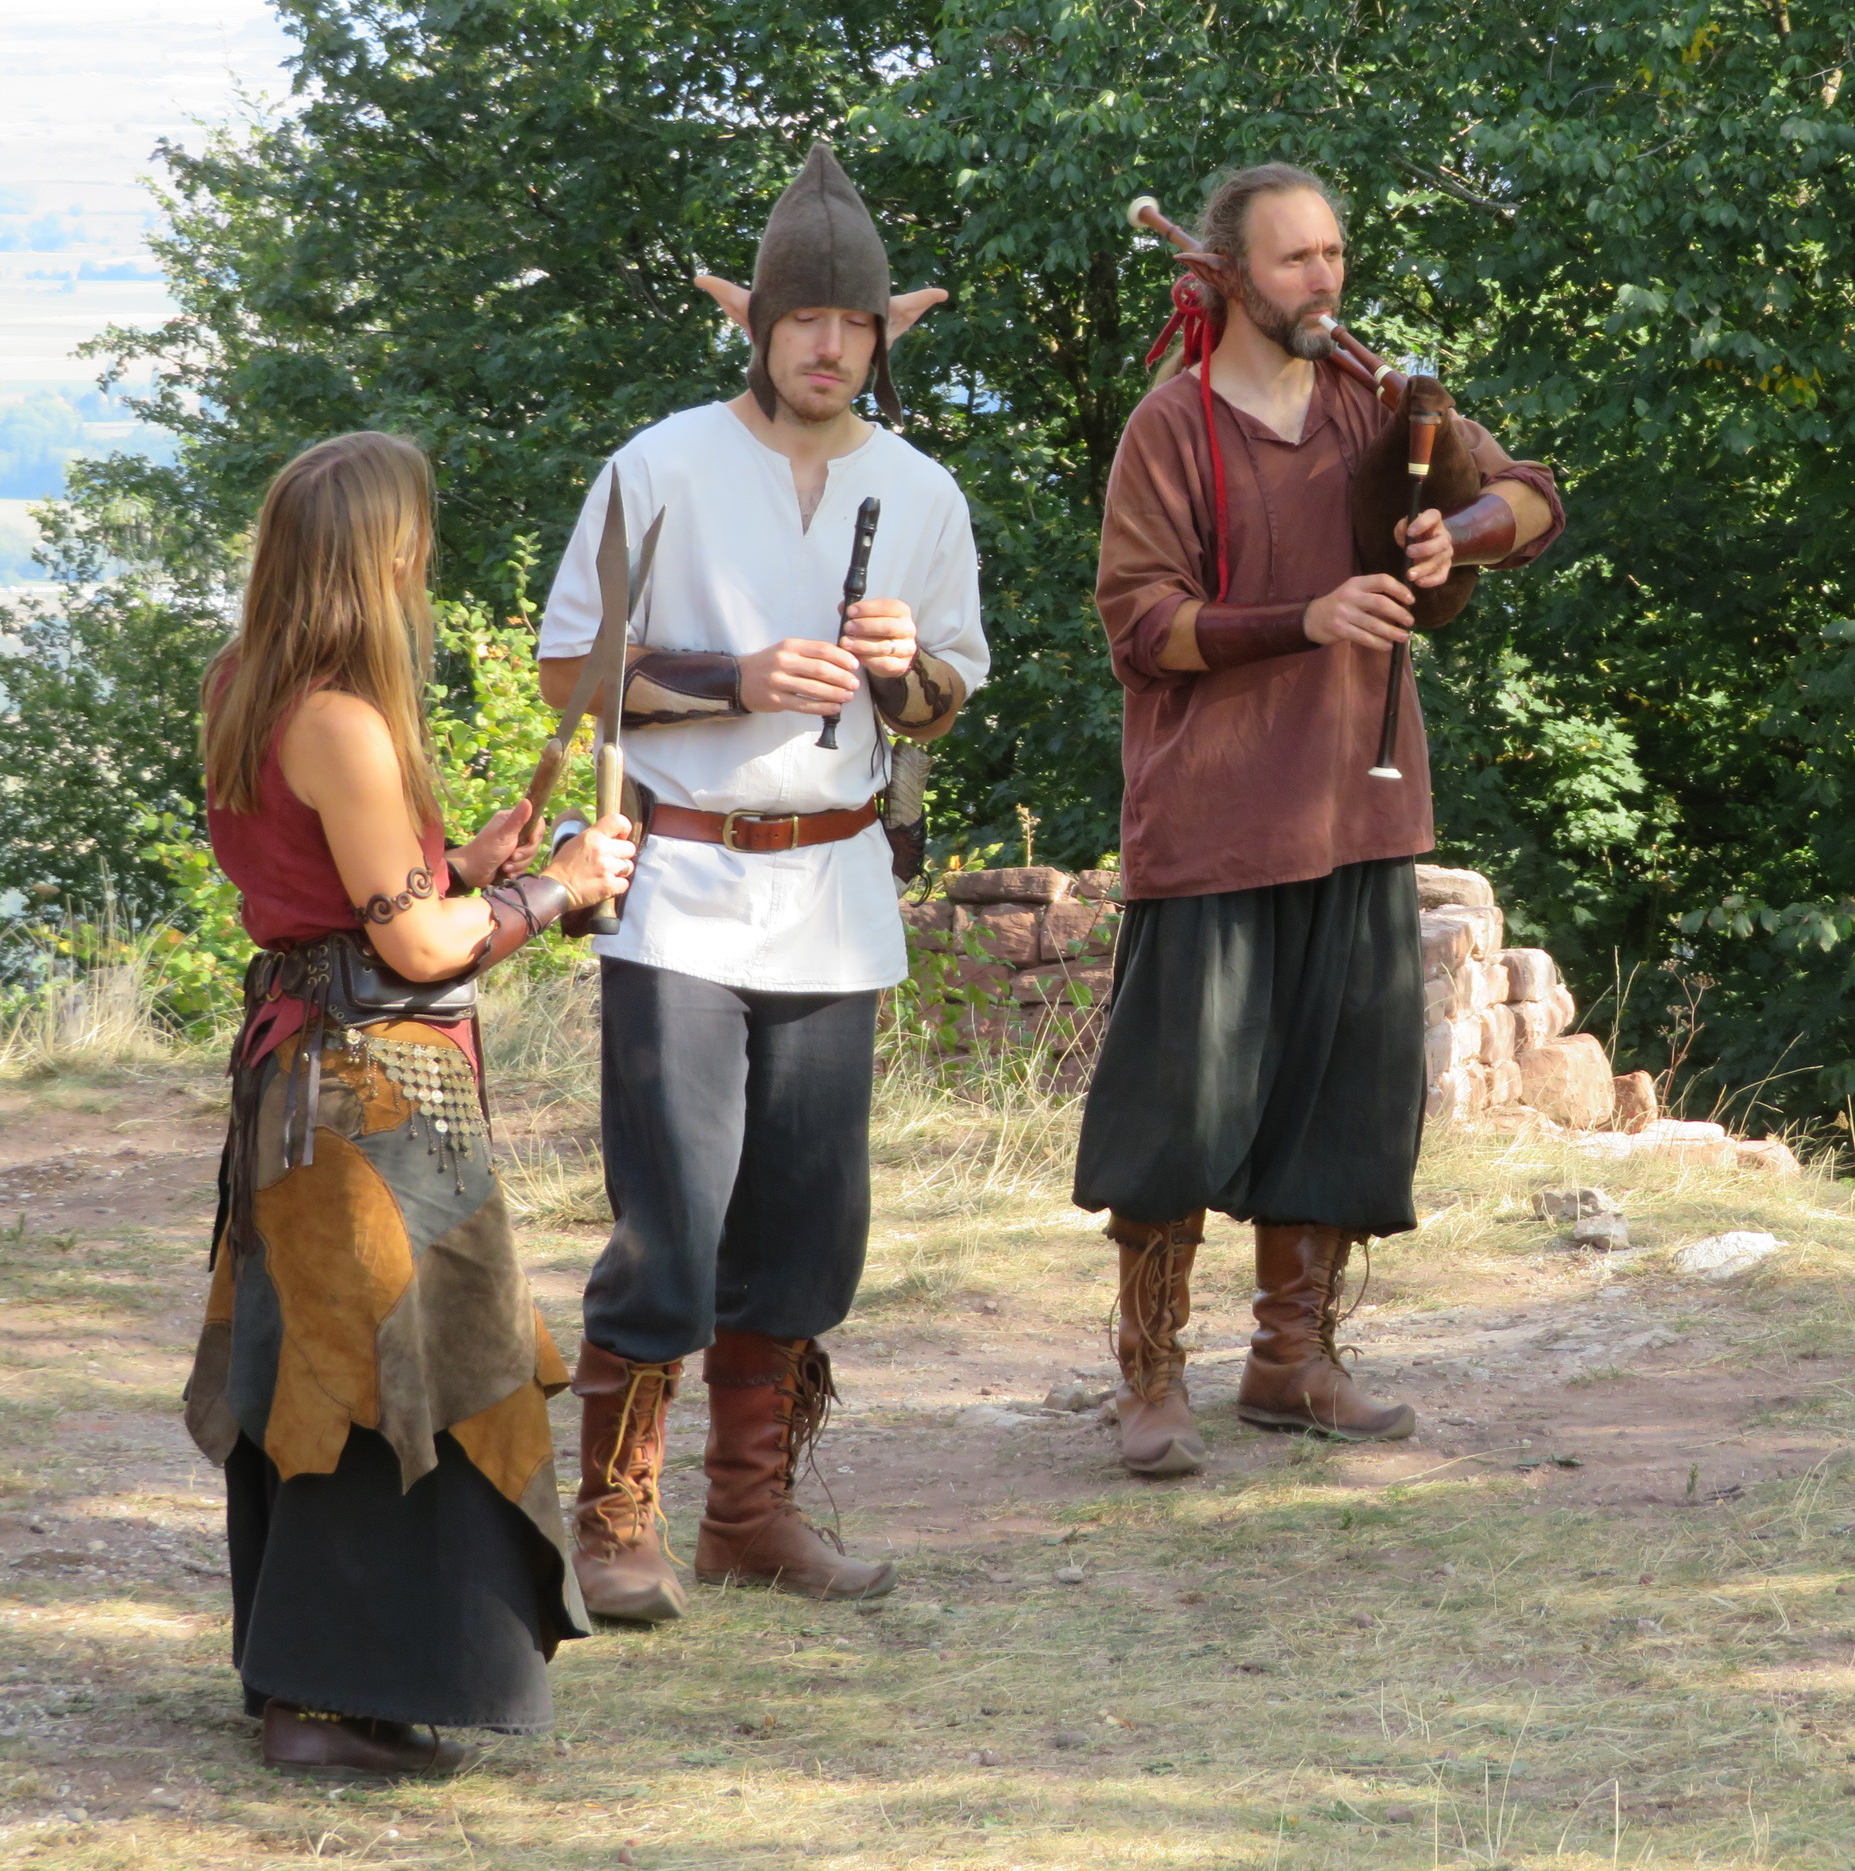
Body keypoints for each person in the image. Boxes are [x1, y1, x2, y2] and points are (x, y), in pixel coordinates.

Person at [536, 142, 986, 1622]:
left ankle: (748, 1515)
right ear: (758, 323)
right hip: (680, 882)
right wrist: (734, 678)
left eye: (853, 324)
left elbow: (943, 702)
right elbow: (566, 673)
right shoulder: (658, 465)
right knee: (672, 1217)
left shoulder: (921, 491)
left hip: (836, 893)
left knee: (806, 1223)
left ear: (883, 336)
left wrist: (900, 670)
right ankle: (616, 1524)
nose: (827, 347)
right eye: (804, 319)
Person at [1078, 163, 1565, 1476]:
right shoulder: (1170, 428)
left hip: (1359, 807)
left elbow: (1533, 497)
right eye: (1294, 258)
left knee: (1341, 1108)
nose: (1324, 278)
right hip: (1213, 821)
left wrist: (1459, 535)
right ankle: (1151, 1380)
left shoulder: (1379, 401)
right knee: (1176, 1115)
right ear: (1226, 273)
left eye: (1335, 253)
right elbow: (1143, 627)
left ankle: (1291, 1360)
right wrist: (1306, 618)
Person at [185, 430, 636, 1777]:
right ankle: (321, 1709)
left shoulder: (246, 683)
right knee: (378, 1378)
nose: (420, 567)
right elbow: (418, 948)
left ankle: (321, 1686)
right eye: (414, 543)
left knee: (339, 1371)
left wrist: (466, 864)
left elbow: (347, 889)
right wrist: (555, 889)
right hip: (365, 1091)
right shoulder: (341, 718)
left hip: (306, 1076)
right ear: (381, 556)